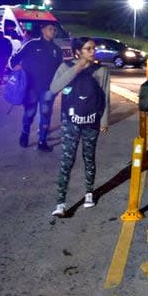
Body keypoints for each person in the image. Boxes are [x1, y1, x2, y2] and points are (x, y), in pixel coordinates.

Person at [49, 37, 110, 217]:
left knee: (89, 158)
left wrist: (104, 121)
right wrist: (78, 67)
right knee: (67, 161)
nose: (93, 52)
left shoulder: (101, 70)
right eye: (88, 49)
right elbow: (54, 88)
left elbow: (105, 96)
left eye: (94, 48)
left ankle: (89, 193)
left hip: (92, 121)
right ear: (78, 52)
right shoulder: (66, 67)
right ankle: (60, 202)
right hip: (70, 122)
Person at [10, 21, 64, 151]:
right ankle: (25, 133)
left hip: (48, 89)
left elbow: (59, 70)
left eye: (55, 30)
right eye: (50, 29)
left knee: (46, 115)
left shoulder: (56, 50)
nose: (53, 32)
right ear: (43, 30)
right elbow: (14, 59)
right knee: (29, 113)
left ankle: (42, 141)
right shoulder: (31, 44)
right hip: (31, 88)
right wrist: (16, 67)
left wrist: (58, 87)